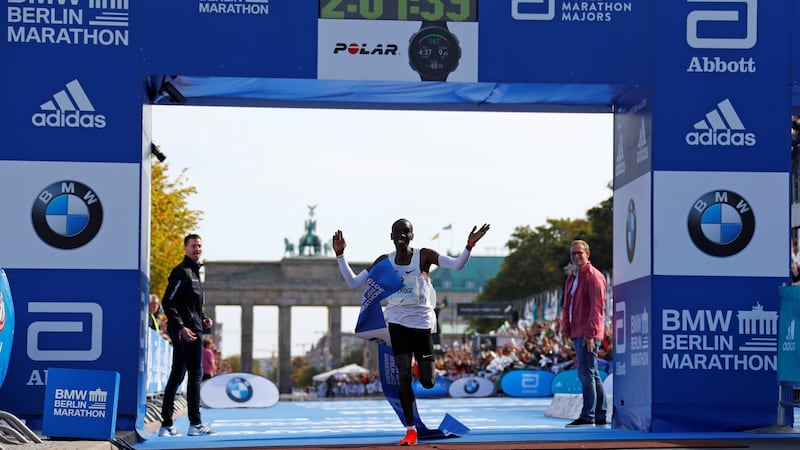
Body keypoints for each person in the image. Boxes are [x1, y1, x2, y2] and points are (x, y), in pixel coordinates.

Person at [333, 219, 489, 446]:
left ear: (412, 236)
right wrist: (340, 255)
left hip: (423, 323)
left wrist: (469, 246)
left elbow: (456, 265)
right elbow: (354, 282)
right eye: (397, 232)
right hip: (397, 323)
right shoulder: (383, 262)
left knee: (427, 382)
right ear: (391, 236)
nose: (401, 235)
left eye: (406, 232)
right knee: (403, 376)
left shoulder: (424, 256)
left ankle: (424, 366)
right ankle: (410, 430)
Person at [159, 234, 217, 437]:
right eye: (193, 246)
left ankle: (166, 425)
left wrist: (203, 318)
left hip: (192, 328)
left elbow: (190, 305)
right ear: (185, 248)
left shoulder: (194, 272)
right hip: (187, 333)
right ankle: (195, 423)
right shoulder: (182, 272)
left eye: (199, 246)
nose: (197, 249)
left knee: (177, 376)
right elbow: (168, 302)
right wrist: (182, 327)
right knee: (195, 375)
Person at [561, 239, 608, 427]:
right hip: (577, 330)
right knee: (591, 373)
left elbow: (597, 308)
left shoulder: (593, 276)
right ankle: (599, 414)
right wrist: (565, 328)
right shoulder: (573, 277)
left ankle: (588, 415)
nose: (576, 256)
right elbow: (567, 305)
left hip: (588, 332)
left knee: (586, 374)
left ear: (587, 254)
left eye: (579, 252)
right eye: (573, 253)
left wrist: (591, 333)